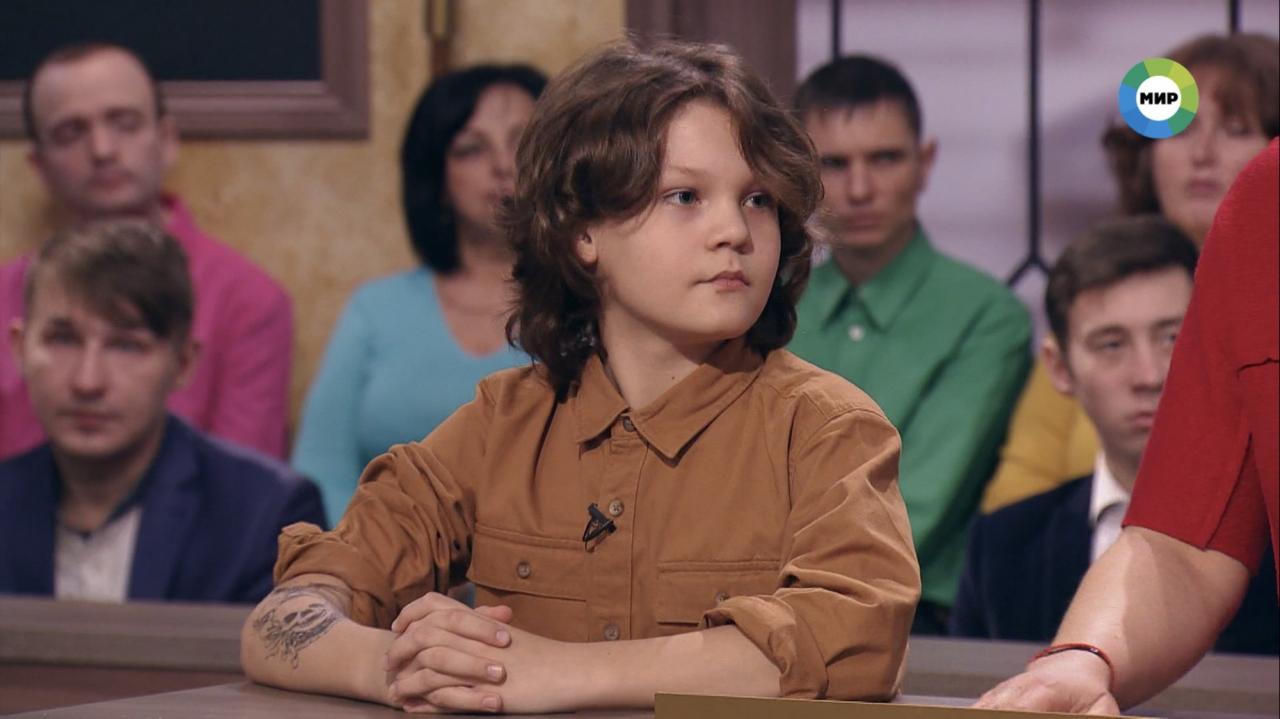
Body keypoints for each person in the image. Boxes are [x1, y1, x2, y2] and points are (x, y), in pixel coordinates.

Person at [241, 40, 920, 713]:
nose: (734, 232)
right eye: (686, 196)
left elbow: (855, 641)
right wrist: (402, 667)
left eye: (758, 200)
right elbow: (283, 619)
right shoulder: (501, 424)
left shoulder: (828, 429)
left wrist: (561, 670)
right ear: (583, 232)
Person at [976, 138, 1278, 713]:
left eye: (1171, 338)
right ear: (1059, 367)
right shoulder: (1265, 201)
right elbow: (1185, 540)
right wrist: (1082, 658)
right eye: (1111, 344)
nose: (1149, 375)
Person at [983, 33, 1279, 513]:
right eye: (1180, 129)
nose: (1202, 153)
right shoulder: (1095, 301)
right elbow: (1018, 498)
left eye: (1236, 128)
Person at [789, 55, 1030, 631]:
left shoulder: (986, 315)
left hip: (915, 616)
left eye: (885, 159)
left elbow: (915, 509)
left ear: (925, 163)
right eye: (834, 164)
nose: (860, 189)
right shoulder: (773, 307)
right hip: (760, 599)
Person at [0, 222, 324, 604]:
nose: (87, 381)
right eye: (63, 339)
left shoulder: (265, 515)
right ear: (19, 349)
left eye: (126, 346)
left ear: (183, 363)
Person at [0, 42, 293, 462]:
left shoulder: (249, 300)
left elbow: (244, 489)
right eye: (71, 133)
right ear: (40, 166)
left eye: (125, 123)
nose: (102, 149)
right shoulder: (5, 293)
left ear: (167, 139)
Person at [292, 64, 546, 526]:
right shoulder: (375, 310)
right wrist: (368, 561)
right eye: (472, 149)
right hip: (381, 563)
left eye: (522, 143)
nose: (502, 165)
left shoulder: (593, 307)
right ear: (437, 178)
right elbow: (321, 472)